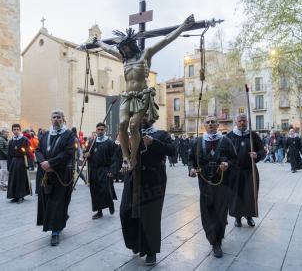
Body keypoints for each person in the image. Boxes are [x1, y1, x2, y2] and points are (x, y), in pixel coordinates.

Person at [91, 15, 195, 172]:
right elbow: (109, 49)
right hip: (127, 96)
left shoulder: (146, 54)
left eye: (125, 48)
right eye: (121, 49)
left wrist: (183, 27)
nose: (123, 51)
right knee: (122, 124)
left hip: (142, 95)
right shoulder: (124, 59)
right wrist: (98, 42)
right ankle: (126, 157)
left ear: (131, 45)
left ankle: (133, 159)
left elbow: (166, 40)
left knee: (134, 125)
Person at [120, 111, 175, 266]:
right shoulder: (132, 134)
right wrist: (124, 164)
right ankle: (135, 243)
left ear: (153, 118)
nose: (143, 118)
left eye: (146, 115)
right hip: (132, 178)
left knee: (150, 215)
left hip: (153, 178)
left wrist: (154, 143)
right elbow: (123, 154)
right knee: (126, 212)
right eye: (140, 115)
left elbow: (172, 151)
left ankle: (151, 251)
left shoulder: (161, 134)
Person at [188, 115, 238, 258]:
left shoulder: (226, 141)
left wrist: (228, 164)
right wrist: (191, 169)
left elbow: (235, 159)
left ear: (217, 125)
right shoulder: (197, 141)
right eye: (207, 122)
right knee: (207, 209)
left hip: (222, 180)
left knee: (221, 209)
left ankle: (217, 241)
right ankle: (212, 237)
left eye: (213, 122)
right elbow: (191, 159)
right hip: (204, 180)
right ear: (204, 125)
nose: (210, 124)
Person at [36, 110, 75, 246]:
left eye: (59, 117)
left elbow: (68, 153)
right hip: (46, 173)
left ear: (63, 120)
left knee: (57, 202)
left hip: (61, 173)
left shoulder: (69, 134)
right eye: (54, 117)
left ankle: (55, 232)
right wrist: (43, 164)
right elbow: (38, 150)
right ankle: (59, 220)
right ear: (51, 119)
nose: (56, 120)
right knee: (47, 200)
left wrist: (51, 163)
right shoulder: (45, 135)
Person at [226, 114, 265, 227]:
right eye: (239, 121)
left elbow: (263, 151)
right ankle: (237, 218)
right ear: (236, 122)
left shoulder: (253, 136)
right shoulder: (229, 136)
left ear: (247, 122)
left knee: (250, 194)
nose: (242, 123)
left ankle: (249, 217)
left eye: (244, 121)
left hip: (250, 170)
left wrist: (256, 155)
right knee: (236, 194)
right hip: (234, 171)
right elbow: (223, 152)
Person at [84, 123, 117, 219]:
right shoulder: (91, 142)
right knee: (95, 190)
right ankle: (99, 211)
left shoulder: (110, 143)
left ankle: (110, 204)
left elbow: (113, 158)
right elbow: (86, 153)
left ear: (105, 130)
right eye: (98, 129)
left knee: (106, 189)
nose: (100, 131)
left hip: (104, 169)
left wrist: (112, 170)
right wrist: (86, 155)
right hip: (93, 169)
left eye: (102, 129)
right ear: (96, 130)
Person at [7, 124, 31, 204]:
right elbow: (9, 154)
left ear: (20, 130)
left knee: (20, 179)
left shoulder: (24, 139)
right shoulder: (11, 141)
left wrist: (26, 163)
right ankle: (14, 196)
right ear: (12, 131)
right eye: (14, 129)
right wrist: (9, 164)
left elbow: (27, 151)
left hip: (21, 161)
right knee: (13, 179)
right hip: (13, 162)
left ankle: (21, 195)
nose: (16, 131)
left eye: (17, 129)